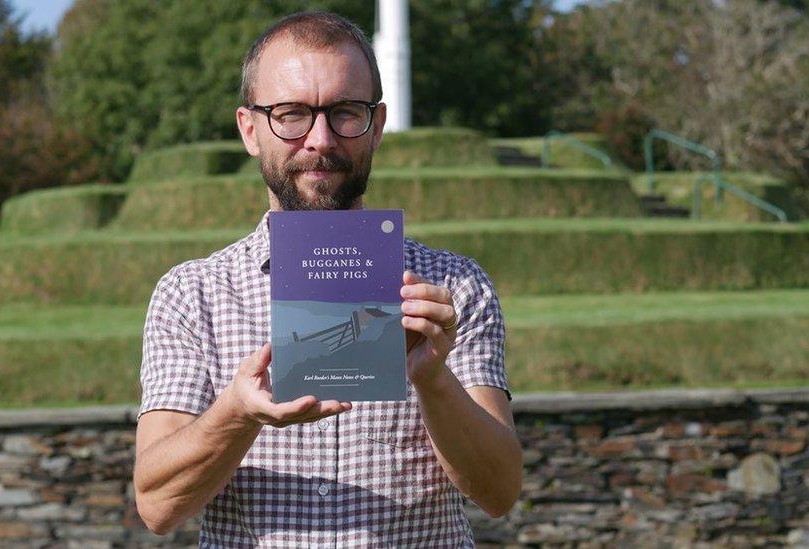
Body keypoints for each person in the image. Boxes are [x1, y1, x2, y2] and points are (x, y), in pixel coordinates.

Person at [133, 11, 522, 547]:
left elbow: (499, 492)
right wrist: (237, 413)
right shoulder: (191, 295)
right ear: (250, 129)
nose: (319, 139)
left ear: (377, 125)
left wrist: (435, 380)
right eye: (291, 114)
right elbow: (156, 504)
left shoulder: (452, 288)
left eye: (345, 112)